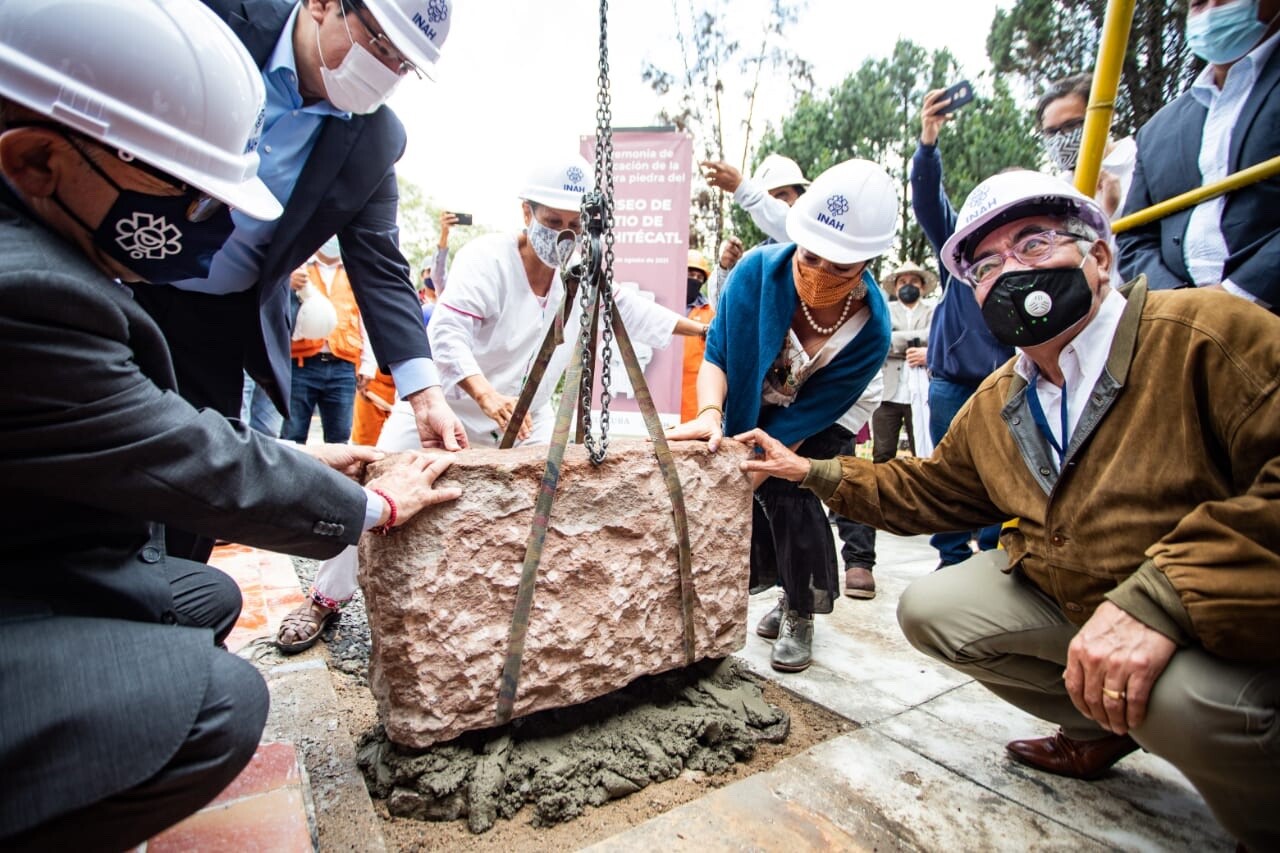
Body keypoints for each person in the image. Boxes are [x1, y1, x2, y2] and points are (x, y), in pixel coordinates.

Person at [0, 2, 461, 848]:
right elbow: (188, 460)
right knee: (221, 694)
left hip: (210, 329)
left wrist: (413, 395)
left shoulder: (368, 141)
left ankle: (116, 686)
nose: (211, 219)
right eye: (188, 191)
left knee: (193, 581)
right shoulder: (35, 291)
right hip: (122, 316)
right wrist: (373, 505)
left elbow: (380, 267)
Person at [735, 171, 1280, 851]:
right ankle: (1098, 728)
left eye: (1034, 244)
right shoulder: (1003, 396)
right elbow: (931, 488)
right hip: (1081, 591)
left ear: (1099, 257)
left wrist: (1163, 597)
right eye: (987, 265)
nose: (1011, 273)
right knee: (935, 610)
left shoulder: (1205, 337)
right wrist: (809, 470)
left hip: (1219, 616)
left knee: (1189, 705)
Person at [274, 156, 705, 651]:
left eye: (574, 225)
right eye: (552, 222)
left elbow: (629, 308)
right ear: (526, 212)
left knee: (554, 499)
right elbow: (448, 334)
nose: (564, 235)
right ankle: (325, 599)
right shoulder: (487, 259)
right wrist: (483, 393)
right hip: (445, 409)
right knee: (379, 491)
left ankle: (522, 608)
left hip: (529, 420)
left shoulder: (581, 272)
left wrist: (703, 332)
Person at [132, 0, 468, 563]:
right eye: (380, 45)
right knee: (96, 453)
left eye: (404, 65)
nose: (386, 72)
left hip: (217, 320)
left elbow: (381, 265)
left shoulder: (374, 139)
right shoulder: (210, 21)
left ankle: (176, 606)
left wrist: (425, 394)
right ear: (321, 5)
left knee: (197, 497)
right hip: (119, 279)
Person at [668, 158, 897, 673]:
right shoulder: (755, 273)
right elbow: (719, 357)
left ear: (867, 263)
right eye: (810, 258)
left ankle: (802, 609)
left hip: (824, 412)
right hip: (753, 392)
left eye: (840, 268)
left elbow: (806, 417)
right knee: (756, 490)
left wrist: (760, 459)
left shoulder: (872, 331)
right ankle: (780, 589)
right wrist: (711, 414)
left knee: (789, 489)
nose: (819, 274)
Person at [1117, 0, 1279, 309]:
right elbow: (1133, 239)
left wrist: (1236, 295)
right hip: (1185, 326)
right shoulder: (1156, 131)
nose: (1212, 11)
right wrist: (1182, 306)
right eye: (1199, 3)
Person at [913, 86, 1014, 568]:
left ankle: (994, 559)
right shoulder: (963, 250)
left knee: (1009, 470)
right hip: (953, 383)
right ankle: (951, 560)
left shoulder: (1041, 254)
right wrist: (928, 146)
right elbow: (929, 202)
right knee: (950, 475)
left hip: (1014, 380)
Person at [838, 261, 938, 600]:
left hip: (913, 392)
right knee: (881, 456)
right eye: (903, 280)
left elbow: (931, 336)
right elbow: (887, 340)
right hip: (889, 394)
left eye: (914, 281)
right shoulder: (885, 306)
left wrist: (907, 343)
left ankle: (861, 556)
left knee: (853, 473)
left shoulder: (928, 310)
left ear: (922, 286)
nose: (908, 285)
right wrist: (910, 342)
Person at [282, 237, 363, 443]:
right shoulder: (298, 267)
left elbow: (364, 319)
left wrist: (368, 365)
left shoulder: (355, 271)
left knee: (340, 439)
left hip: (343, 366)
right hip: (302, 364)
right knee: (293, 436)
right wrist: (287, 282)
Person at [701, 153, 810, 304]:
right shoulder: (757, 258)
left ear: (801, 197)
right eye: (768, 198)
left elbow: (793, 226)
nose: (775, 204)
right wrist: (726, 268)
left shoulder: (819, 241)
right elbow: (720, 304)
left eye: (781, 195)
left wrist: (741, 189)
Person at [1035, 72, 1137, 220]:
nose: (1060, 139)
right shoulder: (1059, 189)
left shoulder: (1138, 159)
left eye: (1070, 126)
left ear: (1107, 118)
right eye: (1051, 132)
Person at [682, 249, 716, 421]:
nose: (694, 279)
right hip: (661, 390)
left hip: (694, 393)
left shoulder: (710, 312)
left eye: (698, 276)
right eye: (690, 273)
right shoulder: (663, 303)